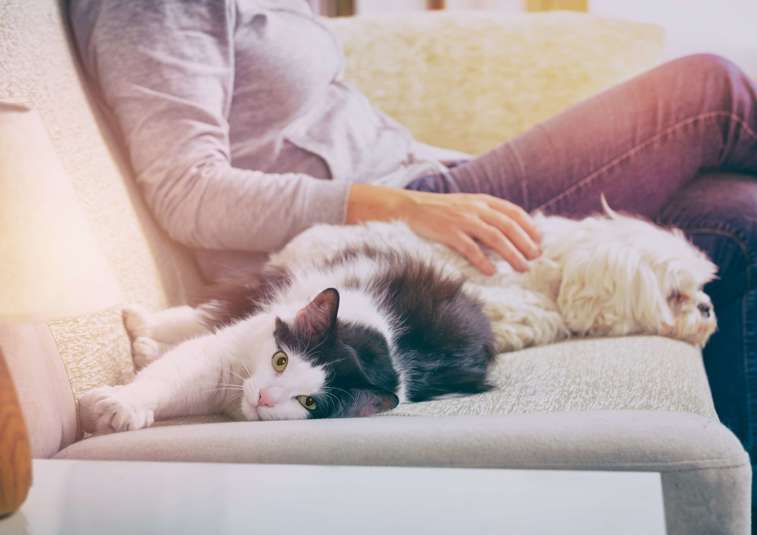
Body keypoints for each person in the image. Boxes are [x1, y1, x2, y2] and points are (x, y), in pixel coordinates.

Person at [70, 0, 757, 491]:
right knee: (710, 90)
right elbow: (189, 192)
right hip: (399, 217)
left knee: (740, 214)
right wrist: (407, 203)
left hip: (429, 187)